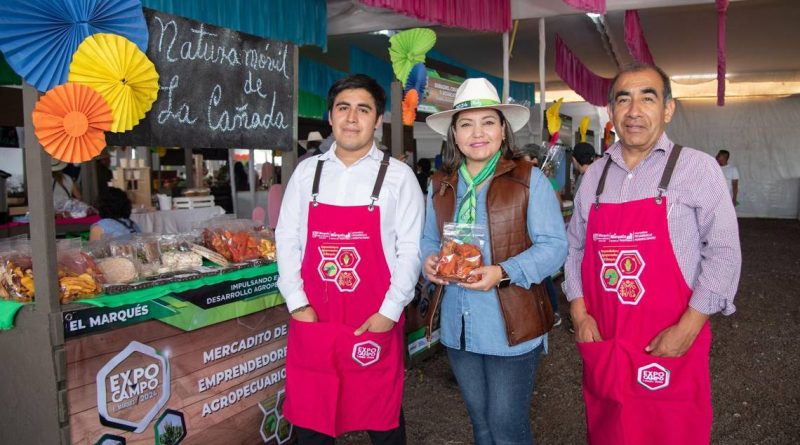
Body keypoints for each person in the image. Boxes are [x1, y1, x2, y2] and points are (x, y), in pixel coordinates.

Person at [564, 63, 741, 444]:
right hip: (606, 339)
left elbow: (725, 252)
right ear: (611, 113)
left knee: (672, 430)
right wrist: (579, 314)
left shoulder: (697, 168)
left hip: (671, 336)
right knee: (611, 428)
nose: (634, 110)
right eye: (623, 99)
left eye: (648, 97)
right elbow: (574, 247)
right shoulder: (594, 176)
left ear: (668, 109)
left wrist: (689, 327)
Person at [276, 74, 424, 444]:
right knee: (312, 423)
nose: (352, 118)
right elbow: (287, 238)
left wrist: (389, 312)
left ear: (378, 120)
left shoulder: (399, 177)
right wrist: (297, 304)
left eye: (363, 109)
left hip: (372, 319)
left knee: (383, 419)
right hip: (316, 318)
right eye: (343, 108)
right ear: (330, 117)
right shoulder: (307, 173)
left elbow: (411, 251)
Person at [421, 78, 567, 445]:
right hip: (459, 327)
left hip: (510, 327)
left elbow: (554, 248)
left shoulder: (528, 180)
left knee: (506, 427)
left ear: (503, 130)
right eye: (466, 124)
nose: (478, 133)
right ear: (454, 134)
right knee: (481, 424)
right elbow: (427, 240)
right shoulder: (441, 184)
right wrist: (428, 262)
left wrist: (503, 272)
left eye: (488, 122)